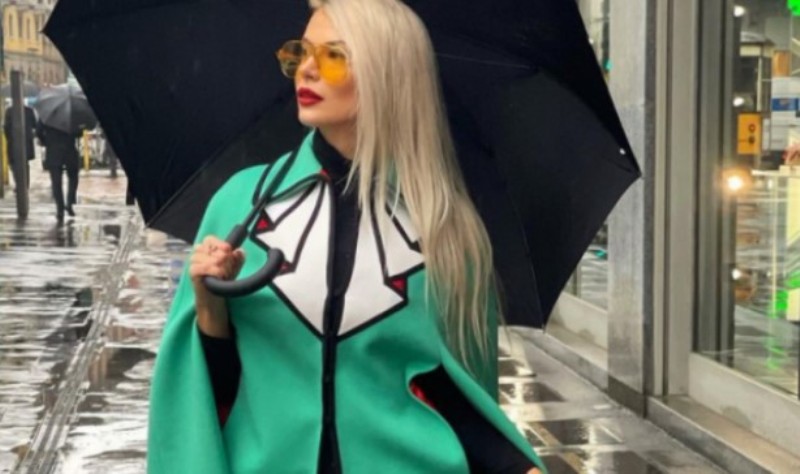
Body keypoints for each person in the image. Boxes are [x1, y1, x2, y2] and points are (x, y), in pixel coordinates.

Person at [147, 1, 545, 473]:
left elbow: (458, 397)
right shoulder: (240, 204)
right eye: (300, 53)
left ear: (386, 74)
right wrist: (209, 307)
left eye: (334, 56)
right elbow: (207, 397)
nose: (307, 70)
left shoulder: (445, 227)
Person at [38, 124, 81, 224]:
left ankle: (60, 208)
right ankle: (70, 202)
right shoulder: (71, 118)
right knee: (73, 177)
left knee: (56, 182)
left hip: (53, 151)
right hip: (69, 151)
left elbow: (39, 131)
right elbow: (78, 133)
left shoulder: (48, 118)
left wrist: (46, 141)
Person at [3, 101, 39, 190]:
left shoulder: (9, 111)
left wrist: (9, 138)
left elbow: (6, 128)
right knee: (25, 164)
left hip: (13, 141)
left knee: (13, 164)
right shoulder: (29, 110)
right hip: (26, 141)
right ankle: (25, 184)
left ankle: (19, 184)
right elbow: (35, 125)